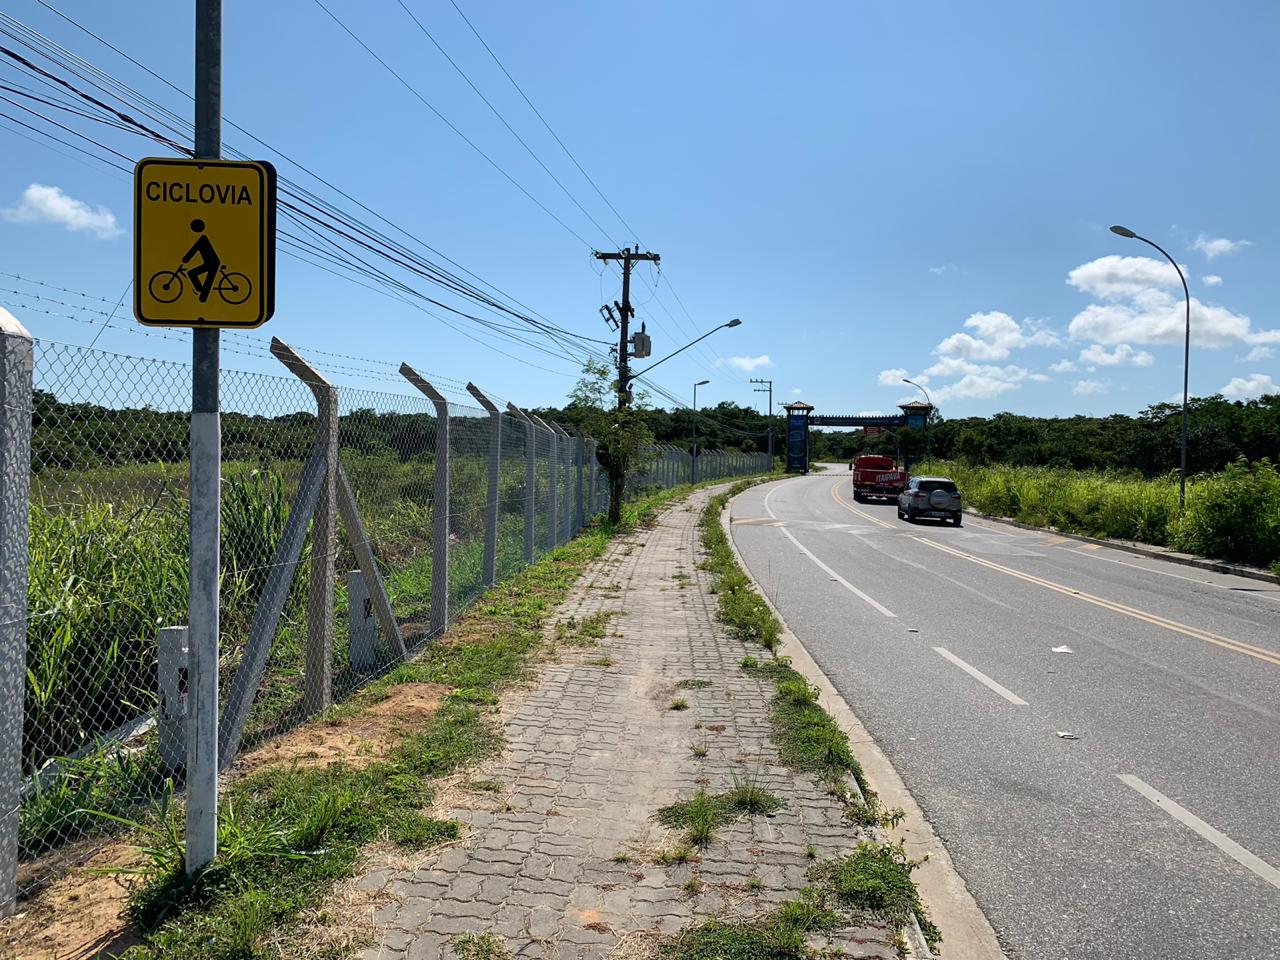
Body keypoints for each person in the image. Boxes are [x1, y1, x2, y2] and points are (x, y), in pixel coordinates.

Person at [182, 218, 220, 303]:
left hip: (213, 263)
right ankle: (201, 291)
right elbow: (194, 249)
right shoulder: (202, 238)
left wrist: (186, 259)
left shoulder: (202, 239)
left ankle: (201, 292)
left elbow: (194, 249)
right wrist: (186, 259)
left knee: (202, 278)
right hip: (210, 262)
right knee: (194, 274)